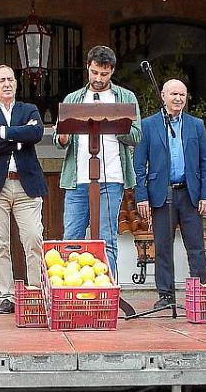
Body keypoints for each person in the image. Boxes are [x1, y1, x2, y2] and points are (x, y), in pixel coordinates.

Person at [53, 46, 141, 279]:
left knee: (106, 239)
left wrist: (115, 123)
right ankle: (71, 289)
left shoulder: (125, 97)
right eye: (94, 73)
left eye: (104, 74)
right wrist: (62, 137)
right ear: (88, 67)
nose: (98, 78)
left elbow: (136, 136)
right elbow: (59, 140)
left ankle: (107, 287)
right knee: (71, 238)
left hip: (111, 178)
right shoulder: (73, 98)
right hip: (77, 179)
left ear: (112, 71)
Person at [0, 65, 47, 314]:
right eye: (1, 80)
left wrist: (3, 133)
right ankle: (7, 296)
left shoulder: (29, 109)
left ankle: (35, 291)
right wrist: (18, 141)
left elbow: (36, 132)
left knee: (33, 237)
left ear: (16, 83)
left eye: (10, 79)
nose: (7, 84)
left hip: (27, 184)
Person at [134, 79, 206, 309]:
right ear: (163, 96)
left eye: (182, 95)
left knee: (196, 247)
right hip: (161, 194)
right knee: (163, 247)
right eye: (173, 94)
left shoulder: (196, 125)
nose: (178, 99)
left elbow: (205, 163)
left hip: (189, 193)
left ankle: (200, 293)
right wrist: (142, 196)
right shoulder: (148, 125)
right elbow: (139, 164)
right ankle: (166, 295)